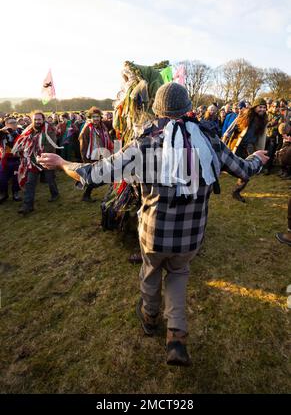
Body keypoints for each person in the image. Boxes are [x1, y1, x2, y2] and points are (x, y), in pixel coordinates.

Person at [38, 82, 269, 366]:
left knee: (151, 274)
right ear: (188, 110)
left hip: (153, 234)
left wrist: (62, 163)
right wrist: (256, 159)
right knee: (178, 274)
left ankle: (149, 318)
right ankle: (176, 338)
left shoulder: (144, 144)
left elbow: (94, 173)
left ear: (158, 110)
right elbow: (243, 169)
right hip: (190, 237)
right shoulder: (210, 141)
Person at [12, 112, 60, 215]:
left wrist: (40, 155)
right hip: (33, 161)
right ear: (32, 120)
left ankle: (55, 194)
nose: (37, 121)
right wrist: (22, 149)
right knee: (30, 183)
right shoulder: (29, 130)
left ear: (43, 120)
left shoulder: (49, 130)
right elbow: (24, 142)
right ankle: (27, 205)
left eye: (39, 119)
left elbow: (51, 145)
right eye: (35, 119)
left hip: (47, 159)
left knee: (50, 179)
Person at [222, 98, 268, 202]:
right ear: (255, 107)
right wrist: (223, 142)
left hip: (250, 147)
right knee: (227, 165)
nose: (262, 109)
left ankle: (236, 191)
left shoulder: (263, 120)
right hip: (237, 144)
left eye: (264, 107)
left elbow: (261, 137)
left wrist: (260, 150)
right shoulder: (244, 115)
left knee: (246, 172)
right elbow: (229, 131)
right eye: (260, 107)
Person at [78, 107, 113, 202]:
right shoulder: (87, 129)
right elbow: (83, 146)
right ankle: (86, 195)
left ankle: (110, 193)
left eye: (97, 117)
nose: (96, 119)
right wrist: (86, 161)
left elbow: (112, 125)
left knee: (108, 174)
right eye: (94, 117)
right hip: (92, 157)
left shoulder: (103, 126)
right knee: (96, 177)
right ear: (90, 117)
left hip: (104, 155)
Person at [0, 116, 22, 203]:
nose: (13, 124)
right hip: (4, 159)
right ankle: (3, 194)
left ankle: (15, 193)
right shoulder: (2, 133)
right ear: (6, 124)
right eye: (11, 123)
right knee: (2, 178)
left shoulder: (20, 132)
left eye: (14, 122)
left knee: (16, 177)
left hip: (16, 159)